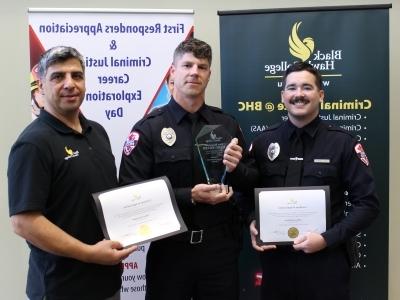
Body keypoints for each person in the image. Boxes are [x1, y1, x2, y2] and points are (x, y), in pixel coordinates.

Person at [231, 61, 379, 300]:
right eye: (292, 88)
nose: (298, 94)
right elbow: (243, 193)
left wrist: (326, 239)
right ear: (282, 96)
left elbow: (368, 205)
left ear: (320, 95)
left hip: (326, 264)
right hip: (276, 264)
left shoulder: (343, 144)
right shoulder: (262, 143)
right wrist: (251, 221)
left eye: (307, 88)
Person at [119, 38, 247, 300]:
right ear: (173, 73)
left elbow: (250, 181)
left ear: (209, 75)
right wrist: (189, 195)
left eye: (202, 67)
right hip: (170, 251)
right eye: (187, 65)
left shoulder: (227, 124)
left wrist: (237, 169)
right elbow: (129, 192)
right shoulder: (149, 129)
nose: (194, 72)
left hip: (219, 251)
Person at [8, 46, 136, 300]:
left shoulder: (97, 132)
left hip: (106, 283)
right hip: (61, 288)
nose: (70, 84)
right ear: (41, 86)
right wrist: (90, 253)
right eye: (58, 77)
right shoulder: (33, 144)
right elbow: (24, 222)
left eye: (77, 76)